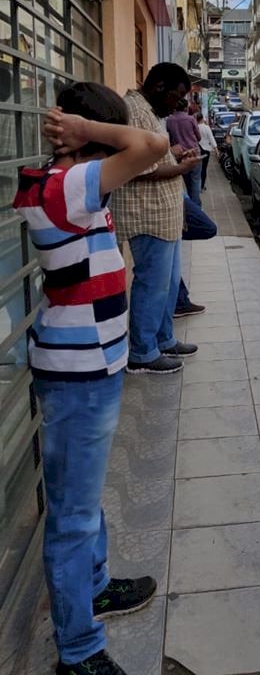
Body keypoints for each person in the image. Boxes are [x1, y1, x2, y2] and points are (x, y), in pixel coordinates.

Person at [13, 83, 168, 675]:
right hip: (79, 370)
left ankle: (96, 587)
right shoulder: (67, 187)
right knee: (74, 517)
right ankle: (78, 650)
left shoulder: (59, 187)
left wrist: (88, 135)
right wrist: (89, 130)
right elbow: (149, 144)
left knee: (83, 499)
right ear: (85, 136)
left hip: (87, 362)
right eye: (105, 137)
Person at [111, 63, 201, 375]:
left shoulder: (149, 111)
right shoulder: (133, 111)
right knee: (152, 285)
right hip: (146, 214)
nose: (177, 104)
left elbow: (151, 158)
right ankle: (142, 352)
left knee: (167, 284)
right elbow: (136, 168)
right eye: (176, 96)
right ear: (159, 86)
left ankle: (163, 339)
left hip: (164, 214)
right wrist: (181, 169)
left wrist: (174, 158)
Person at [166, 99, 202, 206]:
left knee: (185, 182)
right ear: (186, 107)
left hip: (179, 155)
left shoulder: (169, 120)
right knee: (195, 181)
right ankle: (196, 207)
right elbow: (199, 137)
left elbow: (169, 137)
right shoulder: (190, 119)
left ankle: (189, 206)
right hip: (194, 153)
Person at [196, 113, 217, 192]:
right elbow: (211, 138)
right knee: (204, 168)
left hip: (197, 149)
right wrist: (216, 150)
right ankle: (202, 186)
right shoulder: (206, 127)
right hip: (206, 150)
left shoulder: (195, 127)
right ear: (202, 119)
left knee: (197, 168)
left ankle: (197, 185)